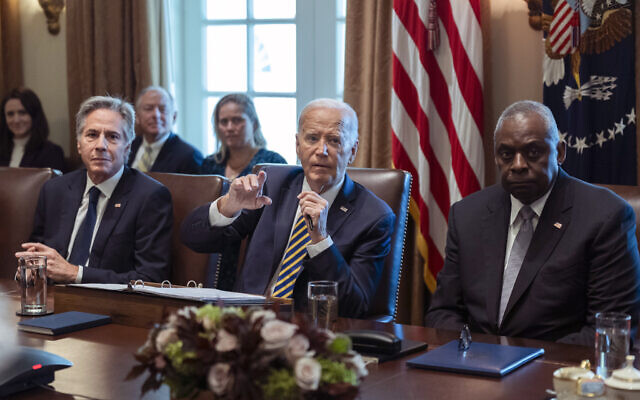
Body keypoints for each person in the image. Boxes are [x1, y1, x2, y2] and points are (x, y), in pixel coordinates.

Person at [425, 100, 640, 345]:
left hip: (556, 373)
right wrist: (472, 355)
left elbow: (608, 332)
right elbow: (443, 312)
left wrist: (521, 364)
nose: (518, 165)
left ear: (559, 152)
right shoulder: (466, 215)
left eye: (533, 152)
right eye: (507, 154)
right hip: (477, 370)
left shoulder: (604, 216)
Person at [181, 98, 395, 317]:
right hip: (245, 323)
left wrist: (321, 240)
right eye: (312, 138)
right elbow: (193, 238)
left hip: (310, 333)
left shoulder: (375, 217)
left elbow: (353, 307)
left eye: (334, 140)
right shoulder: (271, 183)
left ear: (352, 150)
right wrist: (228, 206)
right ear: (297, 145)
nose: (321, 150)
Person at [15, 95, 173, 283]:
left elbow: (150, 278)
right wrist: (31, 270)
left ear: (127, 148)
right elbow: (37, 253)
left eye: (112, 137)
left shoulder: (150, 197)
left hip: (109, 306)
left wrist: (76, 273)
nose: (100, 146)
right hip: (53, 301)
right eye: (92, 135)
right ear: (79, 144)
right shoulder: (54, 190)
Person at [201, 93, 286, 290]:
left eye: (237, 120)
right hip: (211, 250)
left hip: (252, 250)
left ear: (253, 124)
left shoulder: (272, 163)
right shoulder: (208, 164)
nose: (230, 127)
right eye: (223, 122)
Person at [128, 86, 203, 174]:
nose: (156, 115)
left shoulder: (189, 156)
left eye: (163, 109)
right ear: (137, 116)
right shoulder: (128, 147)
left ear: (174, 117)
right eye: (149, 109)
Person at [0, 88, 65, 171]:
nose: (16, 120)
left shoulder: (52, 152)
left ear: (35, 116)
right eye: (10, 114)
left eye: (22, 113)